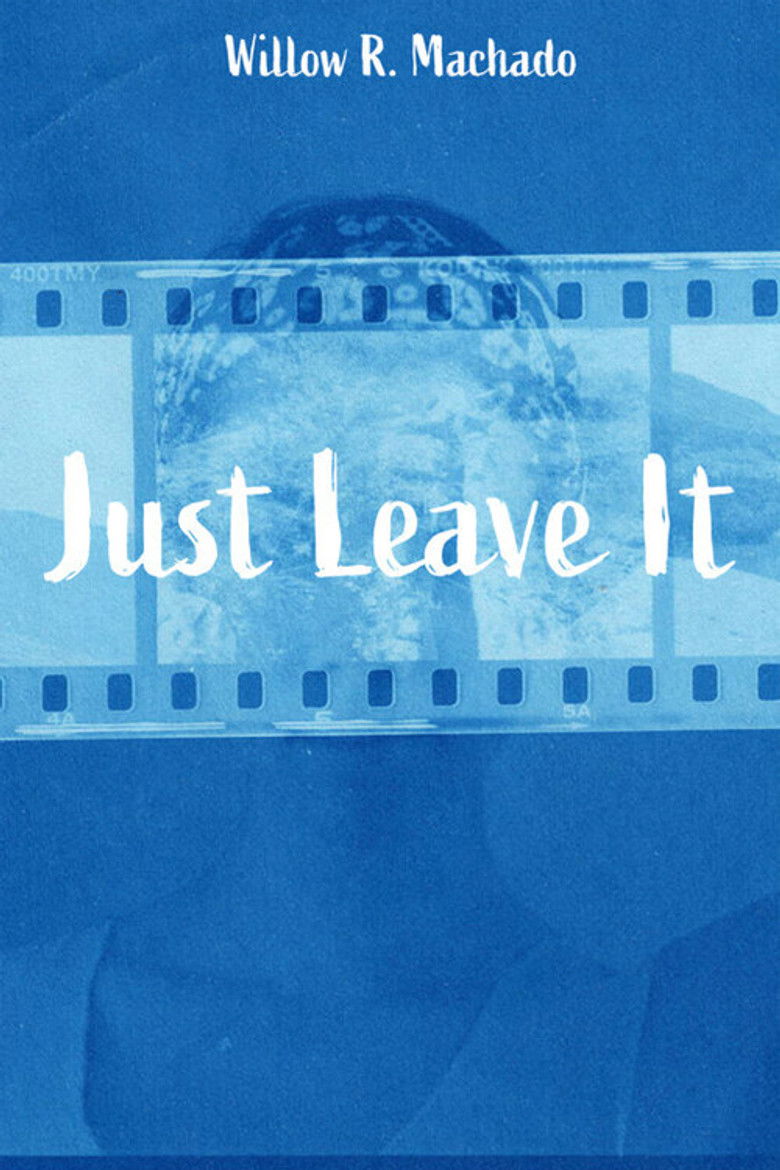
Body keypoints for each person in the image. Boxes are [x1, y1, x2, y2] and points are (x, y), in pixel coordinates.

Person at [0, 198, 776, 1156]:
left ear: (552, 576)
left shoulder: (689, 1076)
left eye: (436, 524)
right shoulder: (17, 1029)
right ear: (183, 561)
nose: (362, 607)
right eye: (286, 518)